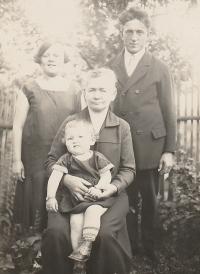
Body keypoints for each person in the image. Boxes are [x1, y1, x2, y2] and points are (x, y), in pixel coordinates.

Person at [42, 68, 136, 274]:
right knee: (57, 232)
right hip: (69, 196)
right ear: (84, 93)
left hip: (109, 196)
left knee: (104, 234)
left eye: (103, 90)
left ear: (112, 94)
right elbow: (51, 160)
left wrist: (111, 187)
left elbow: (129, 169)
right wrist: (67, 180)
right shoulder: (71, 122)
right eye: (92, 89)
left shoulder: (122, 127)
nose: (97, 95)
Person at [109, 7, 177, 261]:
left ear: (147, 35)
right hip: (121, 145)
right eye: (129, 31)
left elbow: (170, 111)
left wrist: (169, 150)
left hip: (150, 145)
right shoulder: (111, 66)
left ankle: (149, 248)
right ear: (122, 34)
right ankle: (128, 248)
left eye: (139, 32)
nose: (134, 37)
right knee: (124, 199)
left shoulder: (159, 68)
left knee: (149, 201)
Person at [12, 41, 81, 233]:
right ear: (40, 59)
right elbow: (17, 126)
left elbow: (82, 126)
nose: (52, 59)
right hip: (34, 156)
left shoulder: (75, 89)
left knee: (60, 200)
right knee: (34, 201)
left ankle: (57, 244)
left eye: (57, 55)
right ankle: (30, 247)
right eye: (47, 55)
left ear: (64, 60)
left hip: (65, 156)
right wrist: (17, 160)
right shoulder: (29, 88)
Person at [46, 118, 116, 273]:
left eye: (80, 137)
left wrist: (99, 188)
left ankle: (87, 244)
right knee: (75, 223)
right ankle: (79, 260)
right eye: (70, 138)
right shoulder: (65, 159)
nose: (75, 141)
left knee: (92, 212)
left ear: (91, 140)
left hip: (96, 198)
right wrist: (50, 197)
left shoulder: (97, 157)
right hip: (75, 202)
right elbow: (54, 177)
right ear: (65, 142)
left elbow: (106, 177)